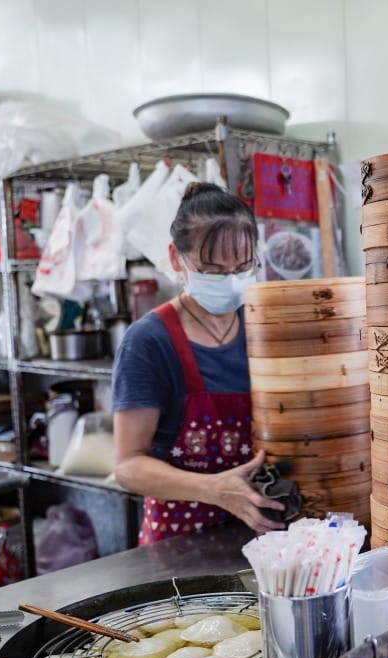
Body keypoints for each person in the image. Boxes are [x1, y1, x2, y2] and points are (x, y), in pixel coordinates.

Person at [112, 182, 285, 545]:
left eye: (243, 267)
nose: (232, 282)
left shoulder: (264, 325)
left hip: (263, 533)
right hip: (181, 541)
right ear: (177, 258)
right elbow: (128, 466)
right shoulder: (149, 341)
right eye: (214, 271)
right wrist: (213, 489)